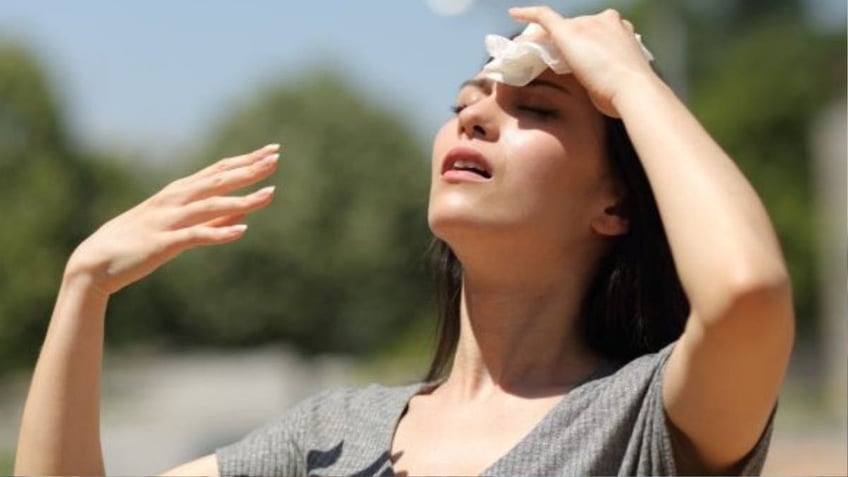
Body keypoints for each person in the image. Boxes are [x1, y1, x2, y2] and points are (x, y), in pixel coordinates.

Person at [14, 6, 794, 476]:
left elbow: (745, 291)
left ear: (616, 204)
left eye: (541, 109)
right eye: (464, 101)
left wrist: (629, 78)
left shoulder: (644, 421)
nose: (475, 116)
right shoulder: (329, 436)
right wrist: (85, 287)